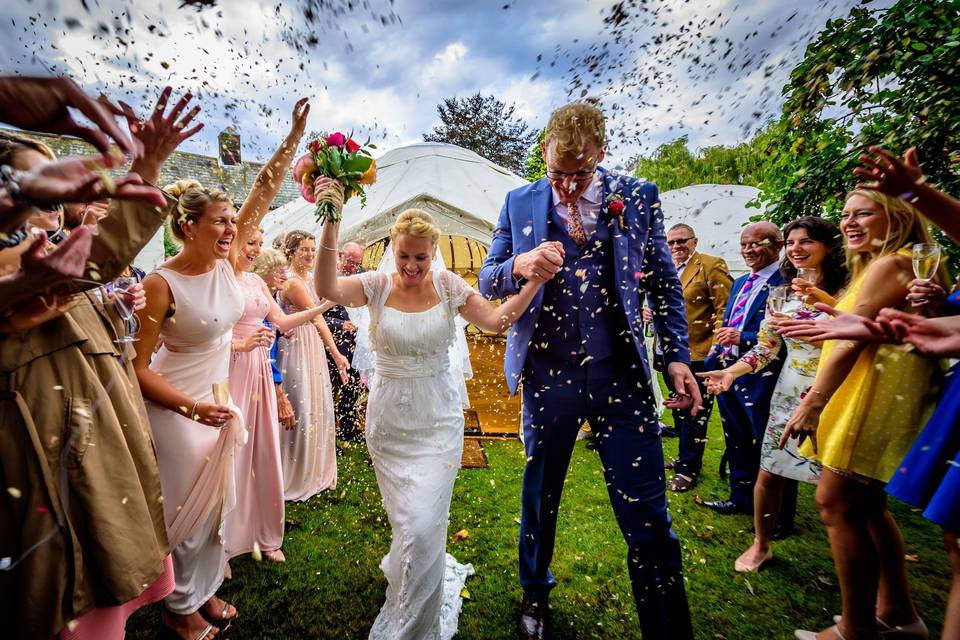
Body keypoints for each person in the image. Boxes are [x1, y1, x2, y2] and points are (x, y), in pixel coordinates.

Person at [479, 101, 700, 640]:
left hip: (620, 375)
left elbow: (664, 284)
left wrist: (674, 357)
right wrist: (520, 265)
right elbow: (488, 280)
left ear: (601, 154)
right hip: (548, 375)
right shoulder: (520, 199)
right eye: (558, 172)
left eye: (580, 173)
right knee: (541, 492)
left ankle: (667, 629)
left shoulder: (640, 196)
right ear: (544, 155)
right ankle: (535, 592)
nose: (569, 186)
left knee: (648, 513)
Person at [0, 87, 197, 640]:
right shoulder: (16, 255)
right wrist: (148, 166)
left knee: (109, 542)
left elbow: (89, 281)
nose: (53, 202)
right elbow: (87, 264)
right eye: (35, 188)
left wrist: (108, 308)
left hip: (96, 410)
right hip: (43, 426)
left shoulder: (49, 244)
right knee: (68, 566)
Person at [314, 191, 543, 639]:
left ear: (433, 253)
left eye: (421, 256)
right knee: (408, 522)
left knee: (425, 523)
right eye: (404, 256)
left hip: (439, 421)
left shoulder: (450, 287)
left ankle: (417, 628)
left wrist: (534, 284)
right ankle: (413, 581)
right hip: (390, 423)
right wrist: (332, 221)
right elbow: (325, 288)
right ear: (391, 251)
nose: (412, 266)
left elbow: (495, 322)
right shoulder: (375, 286)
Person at [133, 98, 309, 640]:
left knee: (216, 508)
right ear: (188, 227)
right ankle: (178, 607)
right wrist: (191, 407)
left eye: (234, 221)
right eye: (221, 222)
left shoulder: (229, 266)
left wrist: (294, 136)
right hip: (176, 405)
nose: (234, 229)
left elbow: (263, 191)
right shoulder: (162, 283)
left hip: (218, 401)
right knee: (187, 511)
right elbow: (136, 369)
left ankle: (204, 592)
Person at [778, 189, 949, 640]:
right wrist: (829, 307)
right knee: (869, 506)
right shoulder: (893, 262)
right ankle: (898, 613)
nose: (849, 224)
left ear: (896, 215)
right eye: (846, 216)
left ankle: (855, 628)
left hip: (873, 393)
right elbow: (866, 324)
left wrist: (813, 400)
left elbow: (853, 341)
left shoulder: (891, 263)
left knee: (835, 502)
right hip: (881, 387)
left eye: (863, 214)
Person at [699, 217, 847, 572]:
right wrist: (731, 371)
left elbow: (854, 335)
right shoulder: (782, 292)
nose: (797, 248)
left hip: (837, 388)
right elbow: (766, 347)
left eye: (806, 241)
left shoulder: (849, 288)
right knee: (770, 470)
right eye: (792, 241)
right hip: (790, 387)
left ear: (829, 246)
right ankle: (761, 544)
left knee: (844, 494)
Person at [224, 229, 329, 567]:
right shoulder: (220, 279)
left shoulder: (256, 285)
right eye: (249, 242)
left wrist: (320, 308)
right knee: (231, 452)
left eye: (258, 243)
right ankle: (222, 541)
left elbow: (282, 321)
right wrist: (240, 344)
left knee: (264, 451)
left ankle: (265, 533)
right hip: (229, 368)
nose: (255, 249)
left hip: (259, 370)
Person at [701, 221, 789, 517]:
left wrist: (745, 338)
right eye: (744, 244)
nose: (748, 250)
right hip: (730, 371)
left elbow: (791, 336)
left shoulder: (787, 283)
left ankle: (777, 515)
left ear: (778, 246)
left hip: (764, 376)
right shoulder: (740, 283)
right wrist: (717, 356)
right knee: (736, 438)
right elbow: (728, 324)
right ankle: (741, 498)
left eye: (757, 243)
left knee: (769, 446)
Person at [657, 222, 732, 492]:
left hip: (699, 355)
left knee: (695, 413)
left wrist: (716, 350)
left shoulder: (712, 265)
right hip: (668, 354)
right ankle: (682, 458)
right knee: (679, 410)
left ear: (695, 241)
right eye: (671, 242)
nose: (676, 246)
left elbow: (725, 310)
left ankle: (689, 470)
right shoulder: (666, 270)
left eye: (682, 241)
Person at [277, 229, 348, 500]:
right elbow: (317, 318)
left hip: (311, 345)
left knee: (315, 402)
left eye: (311, 249)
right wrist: (336, 353)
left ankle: (314, 467)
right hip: (297, 346)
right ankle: (295, 470)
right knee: (302, 402)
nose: (309, 254)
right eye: (303, 249)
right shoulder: (292, 282)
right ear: (291, 251)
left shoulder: (309, 278)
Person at [322, 240, 365, 442]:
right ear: (340, 256)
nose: (355, 267)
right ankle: (328, 434)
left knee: (352, 388)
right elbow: (312, 313)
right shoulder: (326, 279)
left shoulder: (362, 276)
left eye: (358, 263)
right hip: (334, 346)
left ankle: (348, 428)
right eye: (351, 262)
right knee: (331, 390)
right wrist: (339, 325)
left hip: (357, 344)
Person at [252, 248, 296, 430]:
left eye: (284, 270)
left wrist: (279, 331)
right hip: (258, 375)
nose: (284, 276)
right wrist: (278, 392)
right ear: (263, 271)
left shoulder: (271, 299)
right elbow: (264, 353)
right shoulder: (258, 305)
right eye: (277, 271)